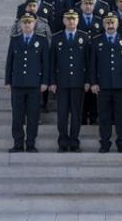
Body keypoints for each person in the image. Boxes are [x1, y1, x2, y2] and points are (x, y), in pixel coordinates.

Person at [90, 14, 122, 152]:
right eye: (107, 22)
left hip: (121, 85)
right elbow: (92, 64)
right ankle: (105, 142)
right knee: (104, 116)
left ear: (117, 24)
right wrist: (93, 82)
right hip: (103, 86)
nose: (110, 25)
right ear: (103, 24)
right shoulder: (97, 41)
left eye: (113, 22)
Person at [4, 14, 48, 152]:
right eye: (25, 22)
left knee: (33, 116)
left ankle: (30, 143)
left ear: (35, 23)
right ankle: (18, 143)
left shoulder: (41, 40)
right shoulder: (15, 40)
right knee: (17, 116)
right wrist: (8, 81)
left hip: (34, 84)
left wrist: (45, 81)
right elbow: (9, 62)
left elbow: (45, 63)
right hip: (17, 84)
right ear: (21, 24)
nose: (27, 24)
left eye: (30, 22)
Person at [48, 10, 90, 152]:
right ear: (64, 21)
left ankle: (74, 141)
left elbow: (88, 62)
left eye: (74, 19)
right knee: (62, 114)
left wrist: (87, 80)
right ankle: (63, 141)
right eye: (68, 19)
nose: (71, 21)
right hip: (61, 82)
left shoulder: (84, 37)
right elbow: (52, 62)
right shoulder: (56, 38)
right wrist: (52, 82)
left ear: (78, 21)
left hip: (78, 82)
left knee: (76, 114)